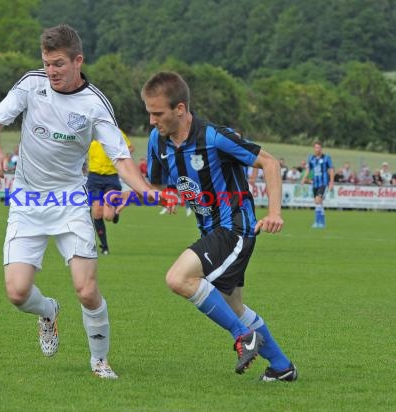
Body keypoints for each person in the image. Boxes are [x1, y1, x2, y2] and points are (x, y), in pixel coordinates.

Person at [0, 24, 154, 379]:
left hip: (71, 201)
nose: (51, 71)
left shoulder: (95, 105)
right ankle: (48, 311)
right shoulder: (31, 84)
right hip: (26, 201)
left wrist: (144, 188)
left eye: (58, 63)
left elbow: (120, 158)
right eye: (47, 63)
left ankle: (99, 361)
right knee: (16, 293)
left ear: (78, 60)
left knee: (86, 289)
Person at [116, 71, 296, 381]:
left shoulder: (214, 136)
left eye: (158, 113)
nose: (151, 120)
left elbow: (269, 162)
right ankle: (281, 367)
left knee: (178, 278)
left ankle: (243, 336)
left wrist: (275, 212)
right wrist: (131, 195)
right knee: (232, 304)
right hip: (210, 230)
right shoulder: (158, 142)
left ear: (181, 109)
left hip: (235, 227)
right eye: (149, 112)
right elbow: (162, 188)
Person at [86, 130, 134, 255]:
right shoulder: (89, 131)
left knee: (108, 217)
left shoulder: (115, 132)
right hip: (94, 176)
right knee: (96, 212)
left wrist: (116, 155)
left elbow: (130, 147)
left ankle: (116, 209)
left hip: (111, 177)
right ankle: (104, 246)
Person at [301, 141, 334, 228]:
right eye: (316, 147)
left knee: (318, 200)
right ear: (314, 148)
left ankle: (317, 222)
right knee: (318, 202)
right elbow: (308, 169)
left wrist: (331, 182)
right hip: (315, 184)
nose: (317, 149)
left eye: (319, 147)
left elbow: (331, 170)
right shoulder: (311, 158)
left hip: (323, 183)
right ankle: (322, 223)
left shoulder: (327, 158)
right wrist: (304, 179)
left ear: (321, 148)